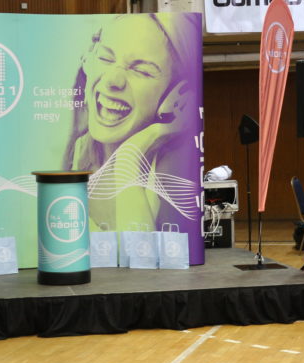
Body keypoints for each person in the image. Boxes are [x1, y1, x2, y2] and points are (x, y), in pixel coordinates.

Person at [62, 13, 202, 230]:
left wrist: (129, 160)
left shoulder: (176, 172)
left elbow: (139, 247)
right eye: (106, 59)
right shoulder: (75, 153)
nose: (112, 80)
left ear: (176, 94)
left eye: (141, 71)